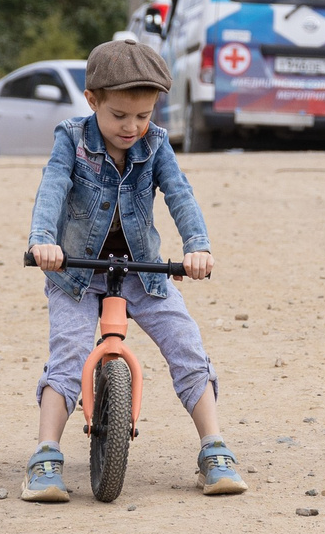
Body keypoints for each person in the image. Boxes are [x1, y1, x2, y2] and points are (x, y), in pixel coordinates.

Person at [22, 39, 245, 502]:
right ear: (92, 101)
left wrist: (197, 247)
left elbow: (179, 194)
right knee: (66, 357)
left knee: (186, 345)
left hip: (143, 272)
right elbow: (53, 184)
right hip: (77, 273)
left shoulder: (156, 144)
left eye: (143, 116)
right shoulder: (72, 138)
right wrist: (43, 240)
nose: (132, 127)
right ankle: (45, 457)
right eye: (120, 115)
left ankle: (214, 449)